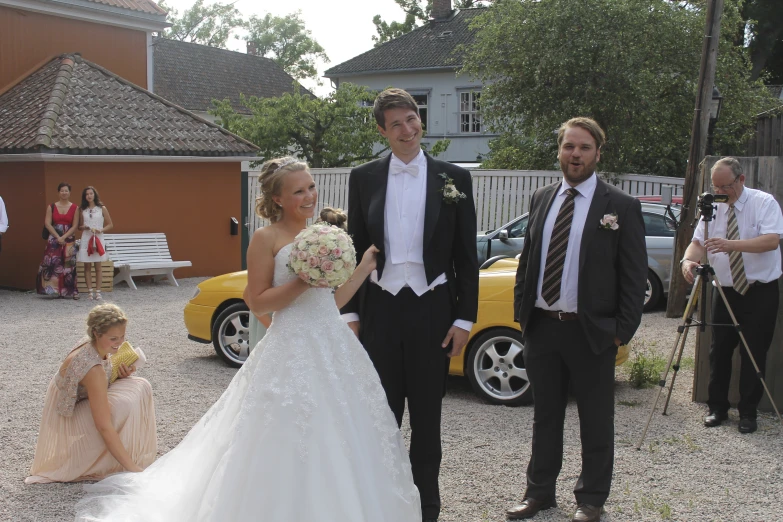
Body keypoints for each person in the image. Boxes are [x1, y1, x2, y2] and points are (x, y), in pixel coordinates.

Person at [75, 157, 421, 522]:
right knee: (285, 430)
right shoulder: (265, 238)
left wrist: (363, 268)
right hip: (291, 345)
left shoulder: (321, 235)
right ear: (277, 197)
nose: (309, 196)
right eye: (298, 191)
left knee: (343, 431)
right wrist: (303, 279)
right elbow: (257, 301)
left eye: (311, 187)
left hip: (333, 343)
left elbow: (329, 301)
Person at [341, 88, 479, 522]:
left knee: (427, 416)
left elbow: (465, 256)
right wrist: (350, 313)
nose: (407, 129)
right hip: (380, 309)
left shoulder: (454, 177)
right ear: (382, 130)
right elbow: (356, 247)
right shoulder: (363, 178)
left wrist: (464, 318)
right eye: (396, 123)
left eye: (413, 119)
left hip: (433, 308)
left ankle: (427, 508)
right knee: (380, 415)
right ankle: (382, 503)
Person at [508, 117, 647, 522]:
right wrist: (523, 314)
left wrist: (621, 332)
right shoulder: (542, 197)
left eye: (584, 148)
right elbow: (528, 262)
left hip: (593, 332)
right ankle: (539, 494)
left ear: (598, 153)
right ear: (560, 150)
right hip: (543, 327)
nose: (575, 155)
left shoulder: (619, 206)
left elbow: (634, 276)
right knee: (545, 415)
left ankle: (591, 500)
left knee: (595, 420)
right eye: (569, 146)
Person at [681, 157, 783, 434]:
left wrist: (730, 245)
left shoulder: (763, 203)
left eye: (726, 186)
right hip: (725, 289)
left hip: (759, 290)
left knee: (754, 352)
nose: (721, 192)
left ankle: (748, 413)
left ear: (741, 180)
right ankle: (717, 408)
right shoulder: (711, 205)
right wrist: (687, 262)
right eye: (716, 186)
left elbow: (771, 241)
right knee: (719, 351)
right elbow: (697, 243)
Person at [26, 304, 156, 483]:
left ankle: (115, 450)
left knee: (140, 385)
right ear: (96, 333)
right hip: (67, 415)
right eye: (113, 338)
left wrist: (120, 373)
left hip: (80, 398)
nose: (119, 343)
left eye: (122, 336)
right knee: (122, 405)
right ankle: (96, 457)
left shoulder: (95, 345)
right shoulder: (93, 369)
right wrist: (133, 469)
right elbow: (104, 425)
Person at [37, 182, 80, 299]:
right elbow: (47, 223)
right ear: (58, 192)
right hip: (53, 238)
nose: (64, 193)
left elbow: (75, 225)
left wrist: (64, 237)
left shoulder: (75, 208)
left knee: (69, 264)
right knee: (52, 263)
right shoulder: (51, 207)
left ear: (70, 192)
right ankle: (52, 290)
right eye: (62, 190)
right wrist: (58, 237)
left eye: (66, 190)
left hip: (69, 238)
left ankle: (70, 290)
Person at [77, 186, 114, 300]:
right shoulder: (82, 209)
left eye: (91, 193)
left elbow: (110, 224)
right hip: (86, 237)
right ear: (84, 196)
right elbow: (79, 226)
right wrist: (85, 227)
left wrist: (101, 230)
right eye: (87, 194)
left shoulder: (102, 208)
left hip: (98, 237)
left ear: (94, 195)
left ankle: (98, 291)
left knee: (98, 266)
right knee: (87, 266)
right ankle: (90, 292)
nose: (89, 196)